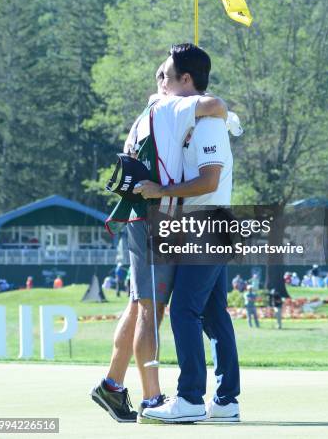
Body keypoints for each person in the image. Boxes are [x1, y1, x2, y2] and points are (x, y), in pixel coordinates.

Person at [90, 44, 228, 423]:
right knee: (152, 310)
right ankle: (151, 397)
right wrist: (211, 109)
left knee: (139, 305)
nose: (160, 80)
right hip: (154, 220)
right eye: (163, 76)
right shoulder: (169, 106)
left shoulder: (146, 114)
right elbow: (215, 105)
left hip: (143, 220)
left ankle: (113, 386)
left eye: (163, 74)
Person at [136, 48, 241, 423]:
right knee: (213, 313)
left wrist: (158, 191)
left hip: (208, 225)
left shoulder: (207, 121)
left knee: (184, 310)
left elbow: (209, 180)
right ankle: (226, 400)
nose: (159, 83)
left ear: (186, 81)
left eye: (165, 75)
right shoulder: (185, 118)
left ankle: (191, 399)